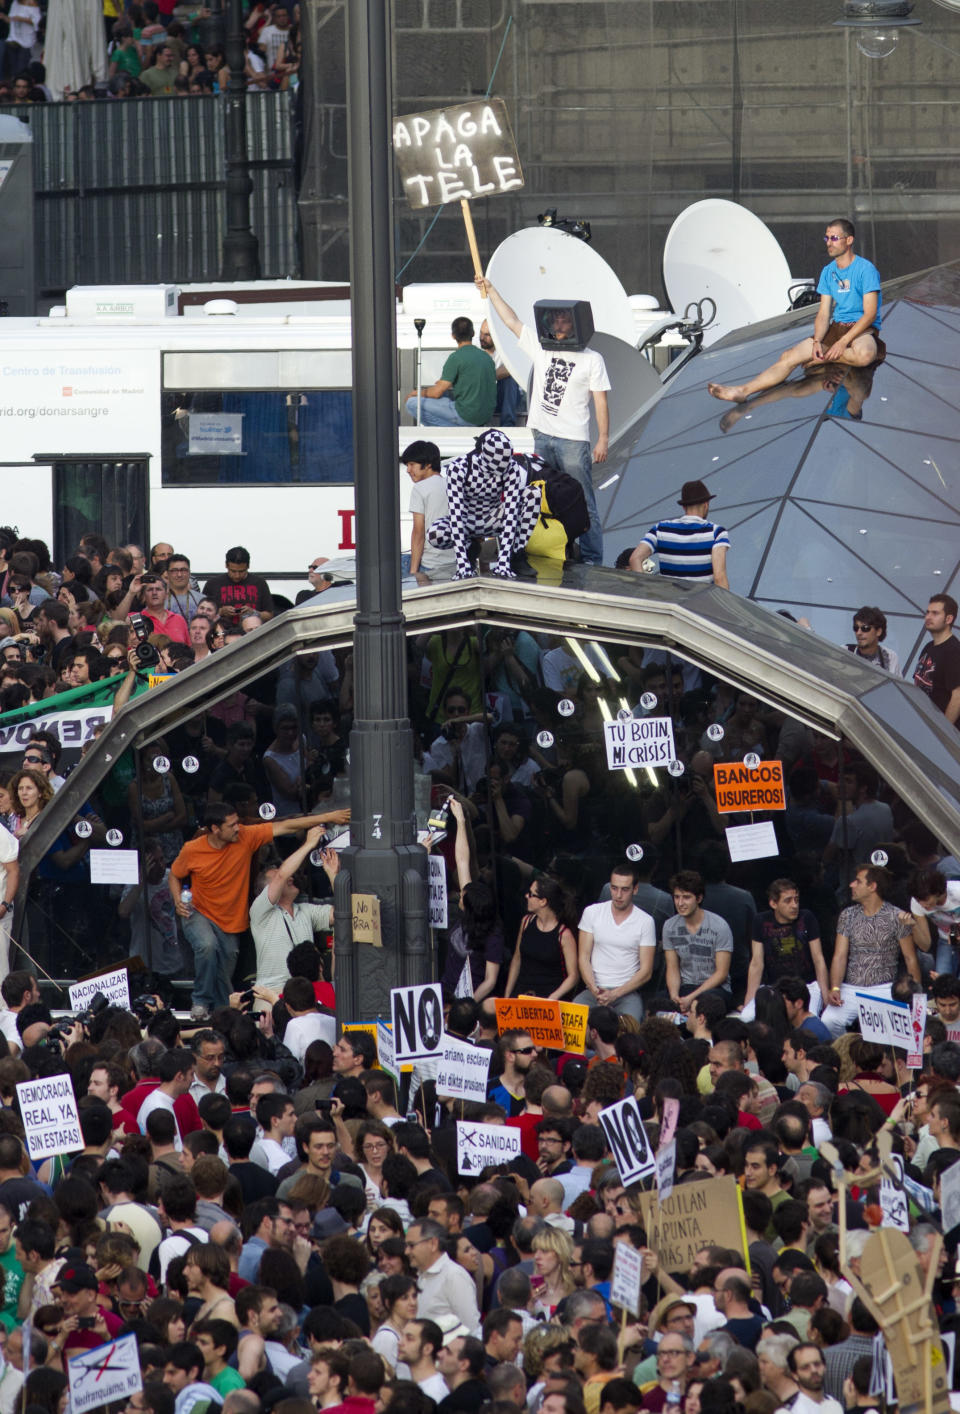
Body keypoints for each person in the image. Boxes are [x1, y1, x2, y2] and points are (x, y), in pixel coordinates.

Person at [169, 800, 348, 1020]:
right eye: (232, 824)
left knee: (224, 973)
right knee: (207, 946)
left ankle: (221, 1015)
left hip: (231, 923)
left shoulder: (305, 910)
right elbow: (174, 875)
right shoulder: (261, 910)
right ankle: (200, 1002)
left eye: (238, 823)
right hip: (200, 913)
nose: (238, 827)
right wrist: (178, 900)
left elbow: (287, 826)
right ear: (215, 829)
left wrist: (328, 821)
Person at [476, 277, 610, 565]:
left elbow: (600, 400)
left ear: (576, 324)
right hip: (543, 436)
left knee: (583, 500)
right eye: (556, 321)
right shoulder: (541, 347)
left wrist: (603, 439)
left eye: (564, 322)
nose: (559, 326)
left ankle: (592, 559)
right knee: (545, 499)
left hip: (573, 440)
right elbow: (511, 321)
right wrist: (493, 292)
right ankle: (557, 551)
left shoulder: (592, 359)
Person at [708, 219, 883, 404]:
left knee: (865, 355)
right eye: (827, 238)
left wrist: (843, 342)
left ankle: (825, 359)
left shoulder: (865, 269)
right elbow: (824, 313)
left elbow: (870, 313)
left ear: (849, 241)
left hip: (860, 329)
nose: (829, 243)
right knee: (789, 357)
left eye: (834, 238)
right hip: (837, 327)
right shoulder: (828, 271)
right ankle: (742, 391)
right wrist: (817, 341)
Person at [424, 428, 543, 581]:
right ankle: (469, 548)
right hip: (467, 520)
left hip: (494, 517)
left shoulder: (511, 467)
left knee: (533, 493)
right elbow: (456, 515)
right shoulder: (459, 468)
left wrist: (504, 560)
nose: (499, 471)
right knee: (435, 534)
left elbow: (511, 512)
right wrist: (462, 563)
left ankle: (516, 554)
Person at [820, 865, 920, 1035]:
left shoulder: (897, 916)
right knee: (829, 1021)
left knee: (896, 1029)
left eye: (857, 881)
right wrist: (835, 988)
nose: (851, 885)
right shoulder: (847, 915)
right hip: (850, 988)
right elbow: (840, 956)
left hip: (885, 987)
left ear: (872, 886)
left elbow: (910, 958)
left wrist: (917, 997)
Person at [574, 861, 656, 1021]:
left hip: (626, 993)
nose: (618, 895)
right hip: (594, 991)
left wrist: (614, 994)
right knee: (573, 1021)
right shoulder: (592, 912)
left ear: (635, 889)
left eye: (625, 889)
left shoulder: (645, 921)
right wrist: (594, 989)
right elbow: (583, 957)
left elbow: (646, 972)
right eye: (614, 888)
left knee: (629, 1027)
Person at [742, 879, 829, 1020]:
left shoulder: (807, 917)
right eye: (788, 901)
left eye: (796, 900)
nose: (794, 905)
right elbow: (756, 963)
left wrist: (825, 995)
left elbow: (818, 958)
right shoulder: (761, 921)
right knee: (747, 1017)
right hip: (774, 987)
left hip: (807, 986)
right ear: (773, 903)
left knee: (809, 1020)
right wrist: (749, 1000)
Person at [628, 481, 730, 588]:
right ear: (706, 504)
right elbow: (719, 578)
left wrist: (643, 587)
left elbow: (634, 558)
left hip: (668, 601)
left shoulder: (661, 529)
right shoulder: (716, 533)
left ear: (684, 507)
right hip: (701, 602)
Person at [405, 316, 496, 428]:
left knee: (412, 403)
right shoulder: (486, 357)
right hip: (484, 416)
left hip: (466, 416)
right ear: (472, 333)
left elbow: (436, 393)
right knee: (446, 394)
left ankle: (450, 428)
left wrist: (416, 393)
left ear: (453, 336)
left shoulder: (456, 357)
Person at [662, 870, 734, 1011]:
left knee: (703, 1005)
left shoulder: (719, 926)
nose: (680, 903)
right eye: (676, 897)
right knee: (658, 1005)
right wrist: (674, 997)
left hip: (714, 988)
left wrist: (691, 998)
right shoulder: (669, 926)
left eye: (686, 897)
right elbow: (672, 967)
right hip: (685, 986)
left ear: (699, 898)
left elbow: (722, 973)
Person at [505, 875, 578, 1001]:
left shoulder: (564, 935)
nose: (526, 896)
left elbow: (573, 976)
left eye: (531, 894)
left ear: (543, 901)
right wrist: (507, 995)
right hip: (523, 991)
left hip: (549, 994)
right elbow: (517, 959)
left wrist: (552, 998)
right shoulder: (526, 922)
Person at [405, 1218, 481, 1335]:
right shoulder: (422, 1276)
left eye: (411, 1245)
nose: (406, 1252)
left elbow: (470, 1328)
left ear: (433, 1244)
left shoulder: (454, 1276)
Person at [401, 440, 456, 578]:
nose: (408, 470)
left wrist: (414, 572)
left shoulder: (420, 488)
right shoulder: (453, 485)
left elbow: (418, 533)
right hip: (454, 563)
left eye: (412, 464)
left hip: (430, 563)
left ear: (428, 464)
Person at [913, 593, 960, 726]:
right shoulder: (928, 647)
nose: (928, 617)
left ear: (949, 619)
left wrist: (943, 732)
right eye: (927, 612)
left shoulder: (954, 651)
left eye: (935, 613)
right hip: (924, 724)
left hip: (940, 734)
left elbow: (958, 696)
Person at [845, 607, 901, 676]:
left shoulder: (890, 657)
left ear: (878, 631)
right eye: (856, 628)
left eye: (865, 628)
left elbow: (894, 686)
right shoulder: (844, 651)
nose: (858, 633)